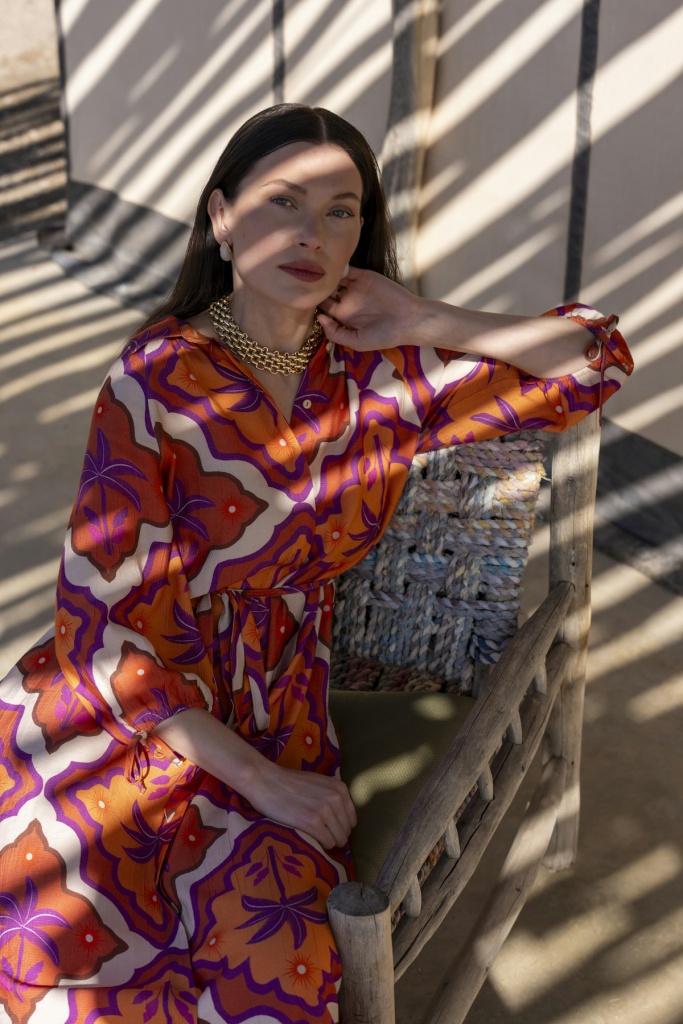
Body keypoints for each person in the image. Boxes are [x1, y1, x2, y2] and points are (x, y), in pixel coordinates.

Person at [0, 103, 632, 1024]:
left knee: (271, 961)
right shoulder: (154, 381)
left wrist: (421, 315)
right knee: (68, 934)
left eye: (341, 211)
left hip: (280, 705)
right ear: (221, 216)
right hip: (136, 710)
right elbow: (101, 626)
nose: (311, 233)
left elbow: (594, 359)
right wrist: (260, 781)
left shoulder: (380, 374)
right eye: (282, 201)